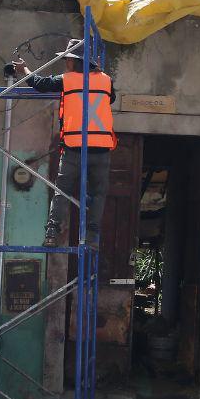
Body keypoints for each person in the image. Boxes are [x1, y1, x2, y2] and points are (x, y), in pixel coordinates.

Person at [15, 40, 116, 247]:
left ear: (75, 61)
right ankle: (93, 236)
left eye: (67, 59)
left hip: (75, 146)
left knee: (62, 191)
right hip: (101, 148)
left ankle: (52, 232)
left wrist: (23, 69)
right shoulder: (106, 81)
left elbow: (40, 84)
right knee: (99, 193)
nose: (65, 62)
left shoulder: (68, 80)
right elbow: (111, 98)